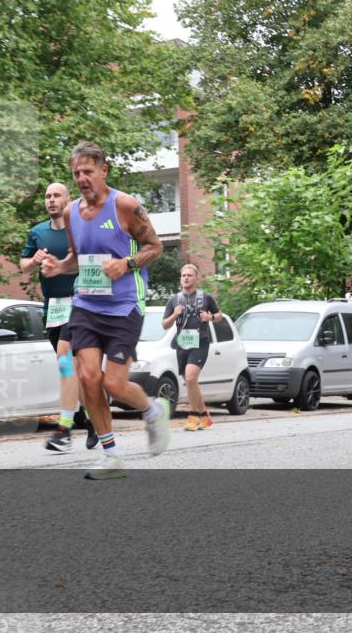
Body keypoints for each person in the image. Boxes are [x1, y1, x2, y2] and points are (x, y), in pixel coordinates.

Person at [41, 141, 171, 480]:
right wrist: (59, 267)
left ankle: (152, 408)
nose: (82, 178)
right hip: (85, 303)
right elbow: (75, 259)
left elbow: (155, 246)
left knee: (114, 384)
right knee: (87, 378)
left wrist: (126, 264)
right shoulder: (71, 212)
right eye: (76, 173)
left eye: (88, 171)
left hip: (125, 305)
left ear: (103, 171)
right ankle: (111, 456)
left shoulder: (125, 205)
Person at [20, 182, 97, 452]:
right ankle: (89, 420)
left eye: (56, 196)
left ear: (68, 200)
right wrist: (33, 260)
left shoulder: (79, 228)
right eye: (47, 196)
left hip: (81, 303)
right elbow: (24, 265)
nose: (51, 200)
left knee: (67, 360)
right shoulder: (37, 232)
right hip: (53, 307)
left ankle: (64, 429)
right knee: (72, 369)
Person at [162, 263, 222, 431]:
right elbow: (165, 325)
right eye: (183, 275)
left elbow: (219, 316)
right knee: (190, 382)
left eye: (189, 275)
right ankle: (205, 416)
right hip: (182, 342)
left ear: (196, 278)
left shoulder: (206, 297)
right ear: (180, 279)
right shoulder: (174, 300)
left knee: (190, 378)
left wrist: (209, 317)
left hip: (200, 341)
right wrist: (175, 314)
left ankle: (193, 415)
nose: (186, 278)